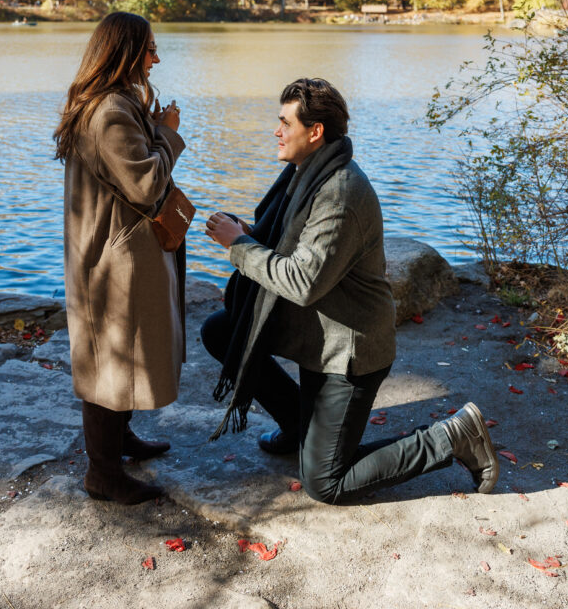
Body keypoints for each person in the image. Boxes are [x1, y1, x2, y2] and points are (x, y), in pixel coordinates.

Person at [203, 77, 498, 505]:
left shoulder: (339, 194)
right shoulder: (306, 172)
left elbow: (302, 283)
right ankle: (298, 424)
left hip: (348, 351)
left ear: (315, 131)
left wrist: (239, 246)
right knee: (221, 330)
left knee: (325, 483)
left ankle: (452, 437)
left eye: (285, 123)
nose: (277, 131)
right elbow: (295, 245)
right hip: (316, 335)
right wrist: (252, 234)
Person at [54, 11, 186, 504]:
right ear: (125, 52)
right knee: (110, 362)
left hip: (113, 249)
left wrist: (151, 122)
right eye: (149, 48)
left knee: (121, 357)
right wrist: (168, 132)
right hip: (114, 257)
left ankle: (120, 442)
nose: (156, 57)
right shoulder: (108, 111)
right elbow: (147, 186)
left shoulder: (115, 103)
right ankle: (103, 474)